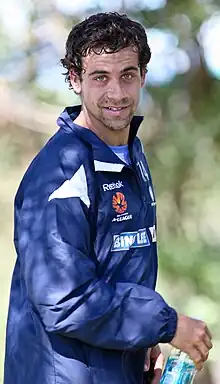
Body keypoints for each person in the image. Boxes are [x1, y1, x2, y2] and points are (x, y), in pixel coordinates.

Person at [4, 12, 212, 384]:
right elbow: (63, 299)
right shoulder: (61, 172)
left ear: (143, 77)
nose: (116, 93)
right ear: (74, 79)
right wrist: (164, 324)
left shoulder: (131, 154)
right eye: (100, 77)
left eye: (127, 76)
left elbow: (117, 267)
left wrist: (143, 339)